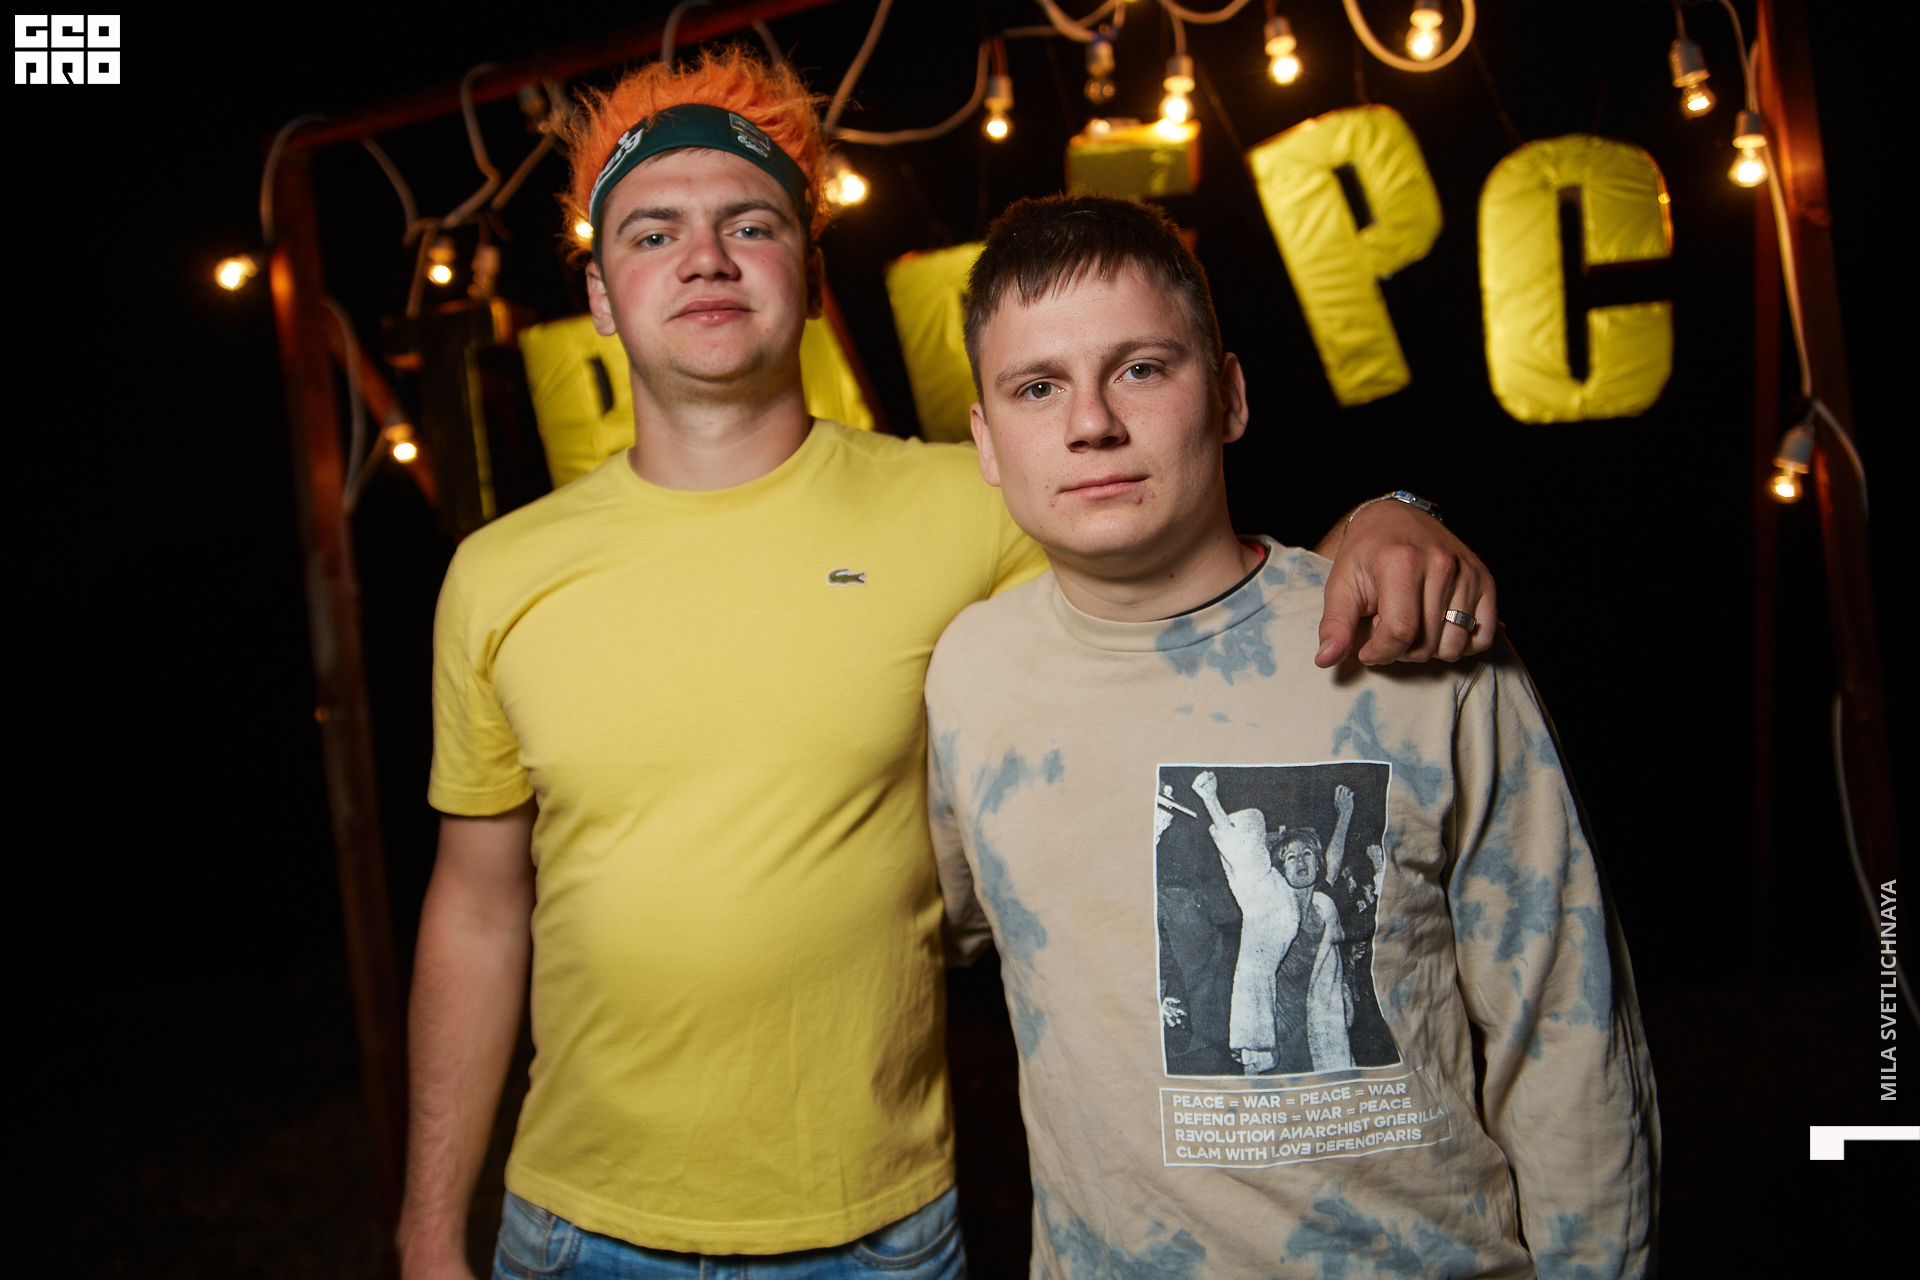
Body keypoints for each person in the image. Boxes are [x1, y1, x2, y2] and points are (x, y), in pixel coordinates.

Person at [400, 48, 1505, 1280]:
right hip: (576, 1226)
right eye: (653, 234)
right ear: (601, 296)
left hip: (879, 1226)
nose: (705, 258)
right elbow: (477, 906)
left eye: (749, 224)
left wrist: (1382, 517)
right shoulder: (498, 575)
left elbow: (1204, 582)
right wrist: (427, 1226)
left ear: (812, 279)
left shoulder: (973, 505)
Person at [926, 193, 1656, 1277]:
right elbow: (928, 931)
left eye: (1141, 369)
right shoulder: (971, 674)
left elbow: (1567, 1026)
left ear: (1228, 395)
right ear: (987, 441)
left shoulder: (1409, 644)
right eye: (1038, 387)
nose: (1091, 423)